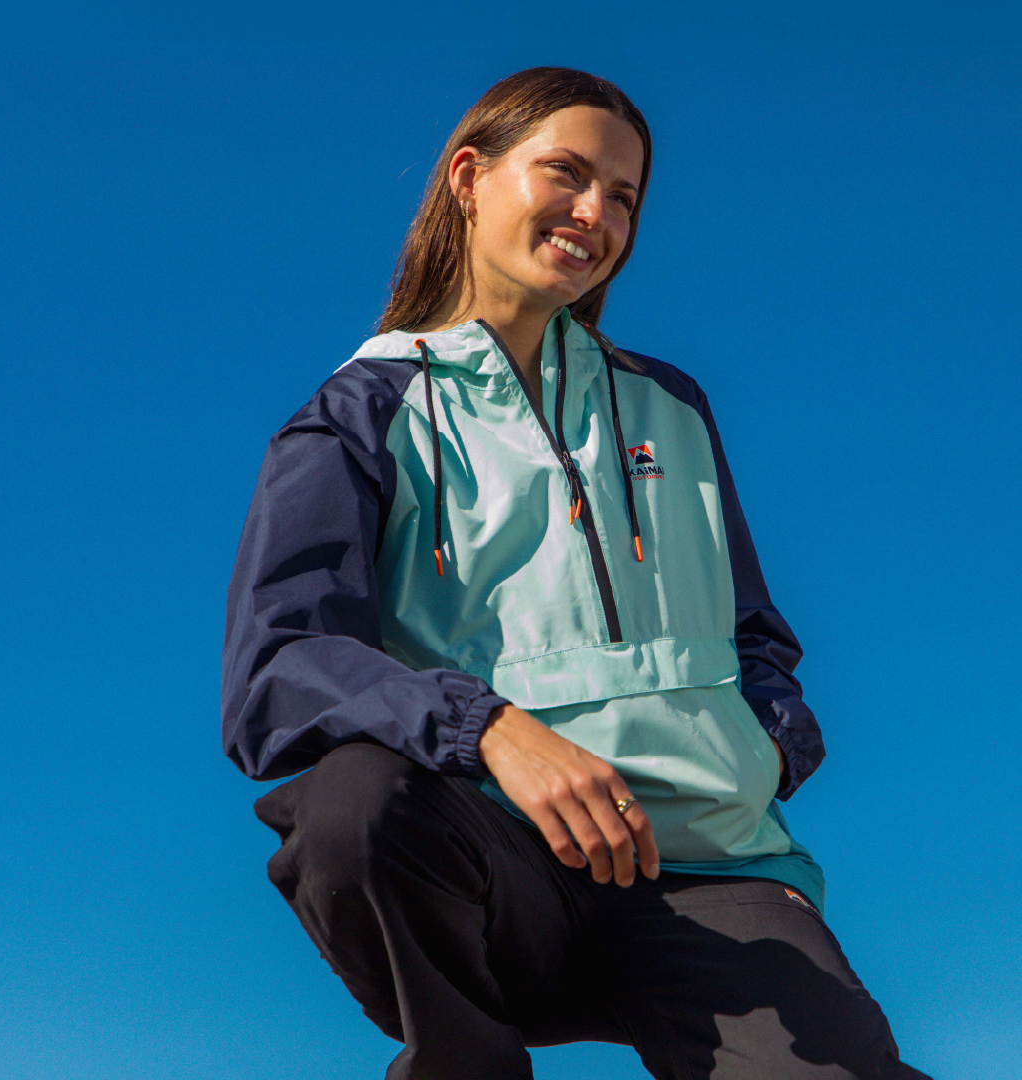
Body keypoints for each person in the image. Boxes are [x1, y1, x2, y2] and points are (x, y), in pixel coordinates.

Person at [222, 68, 930, 1080]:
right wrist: (491, 730)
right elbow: (277, 674)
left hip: (706, 870)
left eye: (626, 196)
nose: (596, 212)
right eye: (567, 173)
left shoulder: (670, 407)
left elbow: (752, 631)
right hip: (500, 875)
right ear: (470, 177)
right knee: (354, 804)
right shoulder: (355, 416)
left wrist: (766, 747)